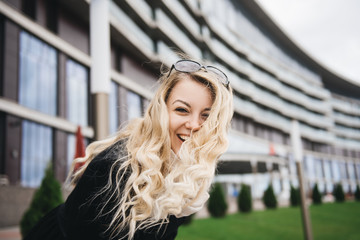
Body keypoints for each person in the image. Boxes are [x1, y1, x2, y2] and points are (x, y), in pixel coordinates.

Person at [24, 58, 233, 240]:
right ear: (161, 110)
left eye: (206, 115)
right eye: (182, 110)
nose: (195, 125)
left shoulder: (184, 169)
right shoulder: (116, 166)